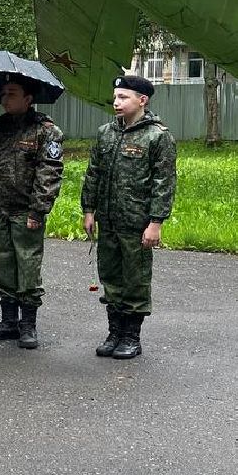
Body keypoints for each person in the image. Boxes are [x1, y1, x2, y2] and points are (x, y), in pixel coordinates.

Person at [81, 74, 178, 360]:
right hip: (108, 220)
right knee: (111, 277)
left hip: (137, 223)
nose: (116, 102)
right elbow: (93, 173)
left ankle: (131, 337)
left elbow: (164, 183)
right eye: (115, 97)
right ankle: (114, 332)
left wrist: (156, 223)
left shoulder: (157, 136)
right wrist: (89, 210)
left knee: (135, 280)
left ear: (142, 100)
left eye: (123, 97)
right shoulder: (106, 133)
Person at [0, 75, 64, 349]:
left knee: (28, 267)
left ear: (28, 98)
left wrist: (38, 210)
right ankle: (9, 321)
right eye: (3, 93)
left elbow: (49, 173)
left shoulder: (45, 131)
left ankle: (28, 325)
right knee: (2, 266)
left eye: (11, 93)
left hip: (25, 212)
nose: (4, 99)